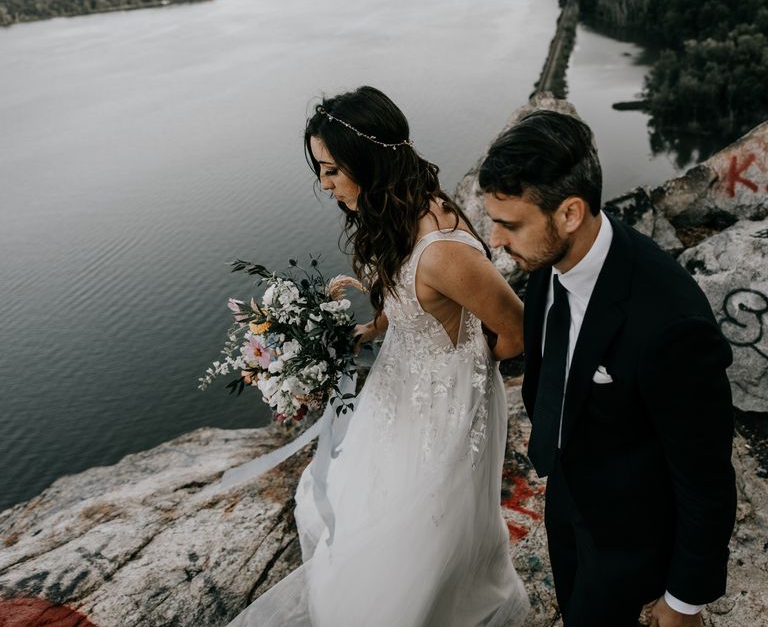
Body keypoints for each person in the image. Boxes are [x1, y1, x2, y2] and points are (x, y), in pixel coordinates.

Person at [226, 86, 530, 627]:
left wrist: (470, 368)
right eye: (319, 169)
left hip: (448, 407)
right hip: (396, 389)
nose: (323, 184)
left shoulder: (445, 252)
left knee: (431, 528)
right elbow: (401, 290)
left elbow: (516, 330)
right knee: (373, 507)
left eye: (332, 170)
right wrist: (376, 328)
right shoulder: (388, 214)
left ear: (369, 161)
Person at [478, 110, 736, 627]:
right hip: (568, 494)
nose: (496, 239)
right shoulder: (551, 262)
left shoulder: (670, 321)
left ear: (570, 213)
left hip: (631, 535)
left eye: (509, 224)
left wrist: (684, 601)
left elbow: (705, 476)